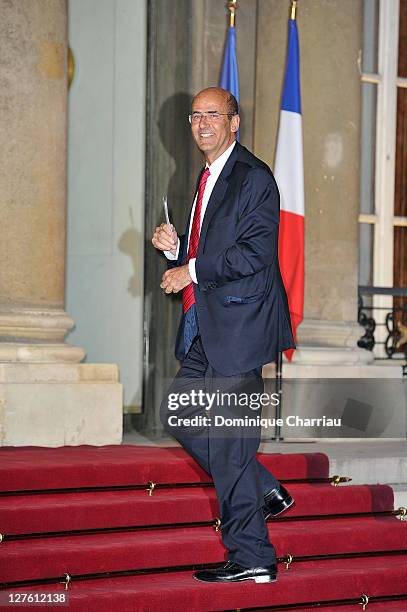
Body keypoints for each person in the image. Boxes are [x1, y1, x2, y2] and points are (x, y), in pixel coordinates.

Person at [152, 87, 295, 584]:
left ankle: (253, 557)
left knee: (230, 443)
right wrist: (174, 251)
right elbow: (209, 250)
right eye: (196, 115)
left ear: (235, 123)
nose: (203, 122)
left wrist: (189, 270)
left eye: (214, 114)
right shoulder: (206, 176)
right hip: (204, 326)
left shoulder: (254, 177)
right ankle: (264, 488)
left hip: (239, 328)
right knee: (179, 413)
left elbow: (255, 254)